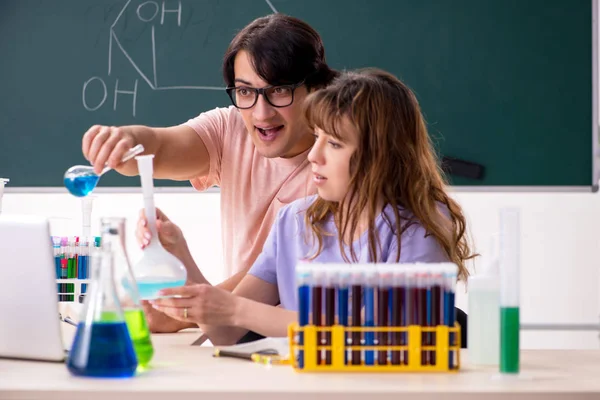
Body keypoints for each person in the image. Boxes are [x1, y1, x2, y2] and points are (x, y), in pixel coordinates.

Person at [148, 68, 476, 345]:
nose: (313, 156)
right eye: (316, 137)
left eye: (333, 143)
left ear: (380, 153)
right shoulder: (294, 220)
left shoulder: (420, 226)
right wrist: (181, 255)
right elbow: (227, 332)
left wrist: (236, 310)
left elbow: (371, 331)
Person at [81, 14, 338, 332]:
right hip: (239, 341)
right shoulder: (231, 127)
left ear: (315, 89)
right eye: (245, 92)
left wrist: (186, 313)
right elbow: (157, 146)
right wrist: (126, 141)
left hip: (302, 343)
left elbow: (270, 294)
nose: (261, 113)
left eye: (280, 90)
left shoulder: (335, 168)